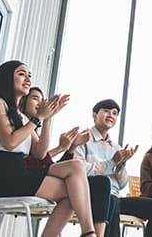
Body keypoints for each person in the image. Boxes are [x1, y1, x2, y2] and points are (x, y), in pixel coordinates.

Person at [0, 60, 98, 237]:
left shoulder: (21, 117)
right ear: (6, 78)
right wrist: (37, 118)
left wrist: (47, 119)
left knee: (76, 174)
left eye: (29, 76)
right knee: (74, 191)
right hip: (0, 176)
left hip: (18, 173)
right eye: (21, 74)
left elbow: (40, 153)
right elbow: (9, 143)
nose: (28, 79)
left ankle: (88, 232)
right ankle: (89, 233)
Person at [19, 87, 114, 234]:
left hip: (39, 177)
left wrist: (70, 147)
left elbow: (47, 165)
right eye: (35, 98)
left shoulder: (34, 131)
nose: (41, 102)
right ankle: (90, 233)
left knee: (102, 185)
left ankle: (92, 233)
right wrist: (61, 147)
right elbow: (38, 164)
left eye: (42, 99)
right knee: (87, 186)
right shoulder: (23, 125)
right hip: (24, 179)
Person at [73, 99, 152, 237]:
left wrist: (121, 165)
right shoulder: (82, 139)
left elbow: (122, 184)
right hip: (91, 195)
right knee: (111, 200)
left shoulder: (116, 148)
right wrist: (111, 162)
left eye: (115, 113)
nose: (111, 115)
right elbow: (78, 170)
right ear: (94, 114)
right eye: (106, 111)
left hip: (115, 197)